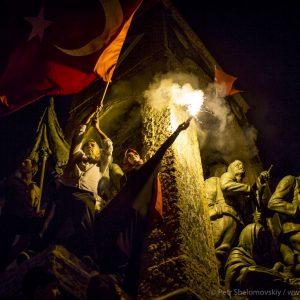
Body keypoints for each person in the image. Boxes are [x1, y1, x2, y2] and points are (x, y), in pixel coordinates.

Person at [94, 117, 191, 296]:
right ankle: (104, 266)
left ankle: (119, 276)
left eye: (134, 154)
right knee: (103, 225)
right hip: (124, 207)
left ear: (139, 157)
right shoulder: (127, 177)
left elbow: (161, 151)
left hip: (136, 210)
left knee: (126, 244)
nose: (131, 155)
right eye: (128, 156)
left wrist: (178, 131)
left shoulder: (145, 169)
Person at [34, 109, 113, 260]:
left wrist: (97, 128)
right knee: (51, 222)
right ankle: (35, 249)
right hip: (65, 190)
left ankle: (88, 256)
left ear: (98, 150)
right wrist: (90, 114)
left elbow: (109, 147)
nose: (90, 145)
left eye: (93, 145)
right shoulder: (76, 155)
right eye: (88, 144)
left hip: (85, 195)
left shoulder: (100, 164)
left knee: (85, 226)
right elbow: (79, 132)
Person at [206, 160, 269, 280]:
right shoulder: (221, 179)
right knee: (216, 250)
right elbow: (223, 188)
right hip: (222, 218)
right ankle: (212, 281)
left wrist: (256, 215)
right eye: (237, 165)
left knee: (222, 253)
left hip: (236, 226)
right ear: (229, 170)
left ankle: (220, 280)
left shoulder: (242, 195)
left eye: (242, 165)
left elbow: (247, 215)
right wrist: (212, 210)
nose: (241, 166)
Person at [0, 157, 42, 272]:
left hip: (25, 219)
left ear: (33, 167)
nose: (22, 163)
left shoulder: (36, 189)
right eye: (22, 161)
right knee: (4, 246)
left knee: (29, 236)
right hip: (10, 218)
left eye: (26, 162)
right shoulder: (12, 181)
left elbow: (33, 206)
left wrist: (36, 213)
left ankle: (13, 260)